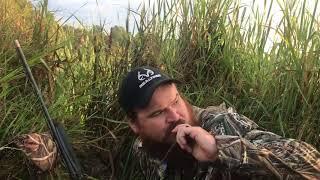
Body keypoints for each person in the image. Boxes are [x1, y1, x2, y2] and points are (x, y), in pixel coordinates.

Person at [118, 66, 320, 180]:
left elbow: (312, 165)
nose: (176, 116)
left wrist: (219, 149)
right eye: (159, 112)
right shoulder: (143, 151)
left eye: (176, 100)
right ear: (135, 125)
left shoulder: (219, 123)